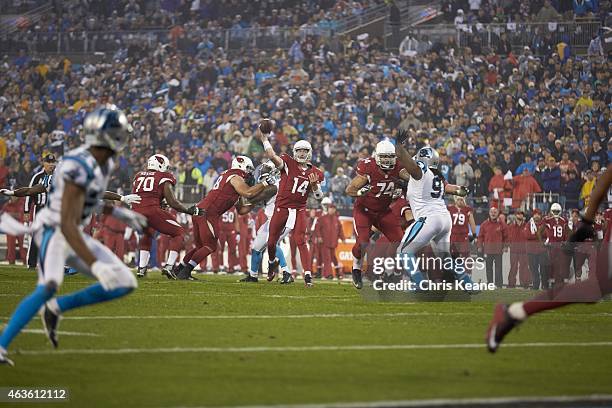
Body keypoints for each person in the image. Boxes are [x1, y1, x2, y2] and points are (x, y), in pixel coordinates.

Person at [0, 105, 147, 366]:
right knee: (49, 286)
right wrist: (96, 265)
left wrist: (120, 212)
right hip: (54, 231)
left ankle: (58, 308)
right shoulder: (75, 165)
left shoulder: (105, 162)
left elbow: (88, 200)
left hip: (72, 229)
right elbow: (67, 221)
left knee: (125, 281)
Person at [486, 165, 611, 353]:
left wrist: (587, 221)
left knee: (595, 287)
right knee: (596, 286)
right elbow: (605, 178)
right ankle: (513, 312)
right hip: (549, 249)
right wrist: (586, 222)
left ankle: (514, 312)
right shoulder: (544, 222)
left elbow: (604, 181)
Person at [394, 129, 474, 288]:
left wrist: (399, 147)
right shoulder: (437, 176)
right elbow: (449, 188)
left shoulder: (421, 171)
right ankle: (467, 283)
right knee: (445, 257)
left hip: (428, 218)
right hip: (444, 219)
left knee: (403, 252)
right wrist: (460, 189)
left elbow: (412, 168)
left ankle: (419, 283)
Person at [174, 155, 273, 281]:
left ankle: (179, 269)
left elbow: (242, 210)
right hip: (208, 213)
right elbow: (248, 192)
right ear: (241, 166)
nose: (249, 173)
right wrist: (264, 183)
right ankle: (186, 272)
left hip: (202, 211)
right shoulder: (235, 176)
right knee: (210, 246)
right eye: (248, 169)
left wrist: (257, 201)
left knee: (201, 247)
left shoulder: (231, 180)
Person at [258, 121, 325, 287]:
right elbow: (272, 156)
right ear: (294, 152)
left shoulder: (316, 172)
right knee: (271, 242)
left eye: (305, 151)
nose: (302, 154)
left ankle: (308, 275)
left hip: (300, 209)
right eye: (299, 151)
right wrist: (265, 139)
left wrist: (315, 185)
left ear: (310, 153)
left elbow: (319, 197)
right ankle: (272, 262)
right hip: (281, 207)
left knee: (301, 240)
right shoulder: (287, 163)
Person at [130, 154, 203, 279]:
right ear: (160, 164)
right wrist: (188, 211)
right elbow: (173, 202)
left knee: (147, 234)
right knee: (179, 233)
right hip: (151, 210)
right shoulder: (163, 177)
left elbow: (140, 196)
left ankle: (141, 268)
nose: (167, 169)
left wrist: (157, 202)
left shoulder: (138, 176)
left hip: (136, 211)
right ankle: (169, 266)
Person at [240, 160, 290, 283]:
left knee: (271, 243)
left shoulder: (275, 186)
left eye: (266, 170)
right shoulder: (273, 184)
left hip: (279, 219)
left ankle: (286, 272)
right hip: (271, 219)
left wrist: (243, 190)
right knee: (256, 247)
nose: (262, 172)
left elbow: (252, 198)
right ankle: (253, 275)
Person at [477, 207, 507, 287]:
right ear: (489, 213)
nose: (493, 213)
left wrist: (505, 246)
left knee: (498, 269)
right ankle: (490, 284)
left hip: (498, 250)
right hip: (488, 250)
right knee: (488, 268)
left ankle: (499, 285)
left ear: (498, 213)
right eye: (491, 212)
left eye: (495, 212)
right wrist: (479, 246)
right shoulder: (484, 224)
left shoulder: (502, 224)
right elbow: (480, 237)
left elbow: (506, 237)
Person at [316, 198, 345, 279]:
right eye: (330, 209)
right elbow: (317, 228)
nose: (331, 210)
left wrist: (343, 238)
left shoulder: (337, 220)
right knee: (327, 259)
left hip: (333, 243)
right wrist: (319, 237)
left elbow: (340, 230)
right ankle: (328, 274)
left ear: (335, 210)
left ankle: (337, 273)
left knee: (333, 258)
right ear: (328, 209)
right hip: (325, 243)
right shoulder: (322, 218)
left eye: (333, 209)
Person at [543, 203, 570, 285]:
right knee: (553, 263)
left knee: (558, 264)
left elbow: (566, 233)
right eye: (554, 211)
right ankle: (553, 280)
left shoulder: (549, 220)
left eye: (556, 211)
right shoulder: (563, 220)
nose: (555, 213)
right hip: (555, 245)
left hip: (555, 245)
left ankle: (556, 280)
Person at [448, 195, 477, 265]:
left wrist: (474, 235)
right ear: (456, 200)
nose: (460, 201)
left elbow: (472, 223)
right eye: (459, 200)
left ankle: (466, 273)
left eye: (461, 200)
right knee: (456, 257)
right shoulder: (450, 208)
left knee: (464, 257)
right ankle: (460, 273)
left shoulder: (467, 209)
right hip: (454, 236)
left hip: (462, 236)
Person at [506, 210, 530, 288]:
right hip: (514, 250)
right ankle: (511, 284)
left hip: (524, 250)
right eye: (518, 214)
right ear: (515, 216)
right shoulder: (511, 226)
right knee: (513, 267)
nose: (519, 216)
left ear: (523, 216)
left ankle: (525, 283)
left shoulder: (527, 226)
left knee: (524, 267)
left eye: (521, 214)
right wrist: (508, 245)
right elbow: (508, 237)